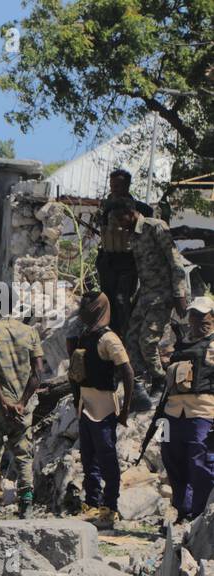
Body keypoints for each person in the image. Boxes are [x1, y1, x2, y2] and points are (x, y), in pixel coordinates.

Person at [68, 293, 134, 529]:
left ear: (97, 308)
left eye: (87, 306)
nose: (82, 310)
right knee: (88, 458)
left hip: (104, 406)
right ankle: (92, 503)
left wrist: (125, 409)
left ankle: (110, 508)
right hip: (86, 405)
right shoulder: (84, 335)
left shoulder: (109, 338)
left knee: (107, 458)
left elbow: (128, 372)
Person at [116, 201, 190, 403]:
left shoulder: (155, 227)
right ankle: (140, 382)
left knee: (147, 341)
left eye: (121, 218)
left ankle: (160, 380)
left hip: (163, 294)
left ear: (131, 212)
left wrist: (179, 294)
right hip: (146, 295)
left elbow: (175, 261)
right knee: (131, 338)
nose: (119, 224)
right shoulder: (132, 235)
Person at [0, 312, 44, 520]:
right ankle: (26, 504)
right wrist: (22, 402)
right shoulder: (30, 332)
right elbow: (38, 372)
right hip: (23, 409)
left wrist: (4, 401)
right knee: (24, 455)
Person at [160, 297, 214, 523]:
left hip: (202, 414)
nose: (198, 320)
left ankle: (198, 516)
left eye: (203, 316)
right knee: (171, 459)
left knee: (200, 465)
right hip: (171, 414)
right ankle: (183, 512)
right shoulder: (180, 344)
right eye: (194, 315)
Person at [96, 169, 153, 337]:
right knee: (108, 298)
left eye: (118, 186)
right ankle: (109, 333)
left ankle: (126, 335)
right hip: (108, 259)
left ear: (127, 186)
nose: (114, 189)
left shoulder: (140, 209)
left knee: (122, 300)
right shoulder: (105, 206)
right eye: (112, 185)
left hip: (127, 261)